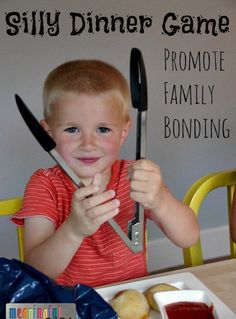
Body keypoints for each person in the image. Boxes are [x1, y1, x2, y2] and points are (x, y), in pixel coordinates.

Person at [12, 59, 199, 287]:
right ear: (48, 132)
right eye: (72, 129)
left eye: (103, 129)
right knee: (21, 317)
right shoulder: (45, 184)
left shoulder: (135, 176)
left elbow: (189, 238)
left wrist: (161, 200)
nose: (88, 144)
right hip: (71, 309)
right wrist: (73, 230)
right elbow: (35, 270)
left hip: (130, 306)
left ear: (124, 132)